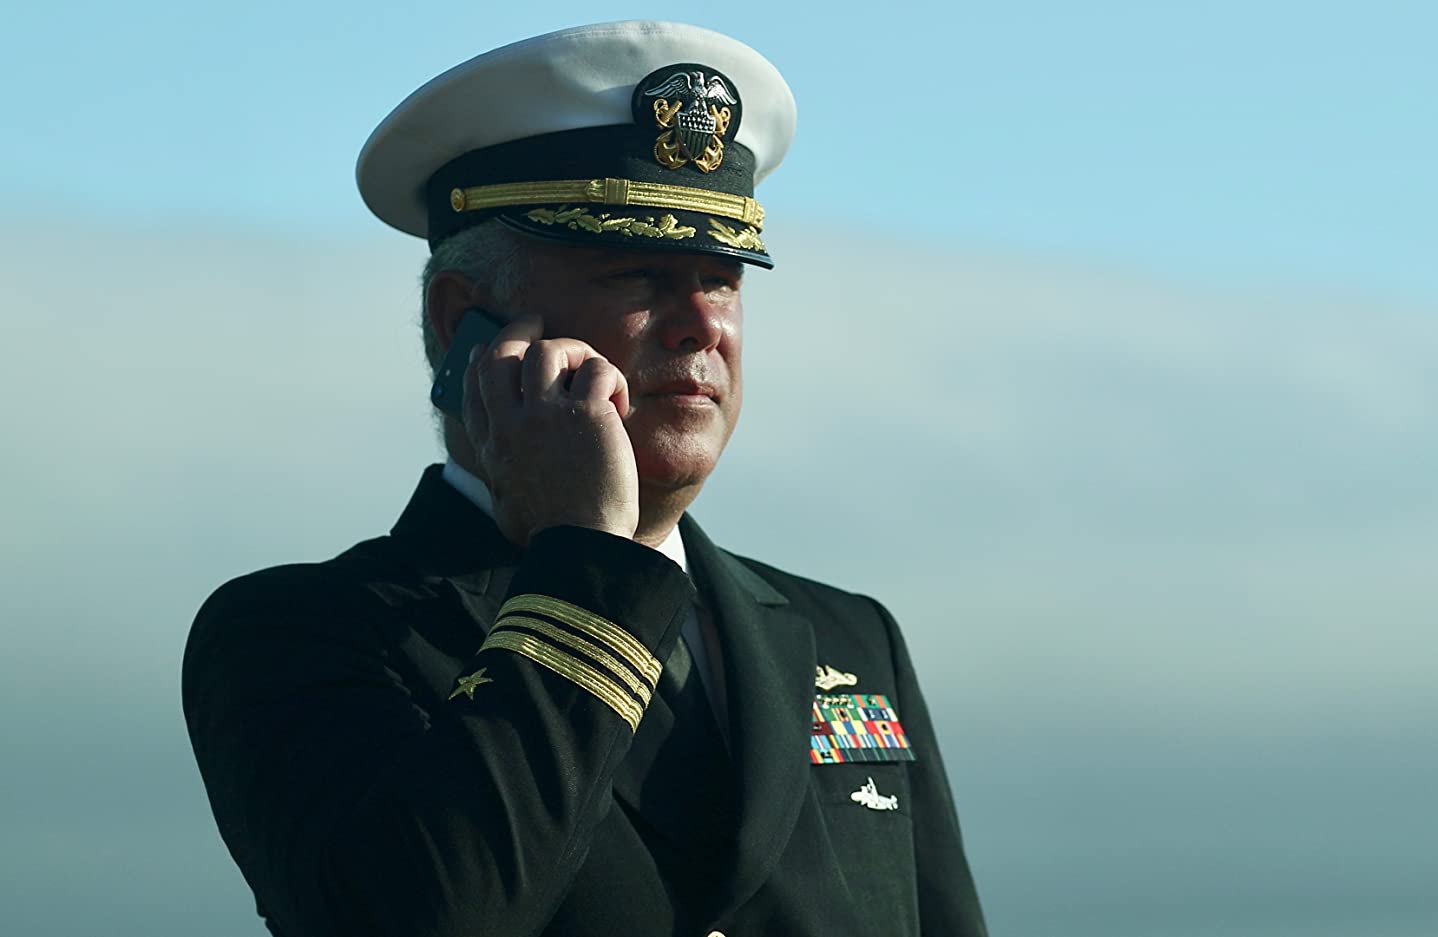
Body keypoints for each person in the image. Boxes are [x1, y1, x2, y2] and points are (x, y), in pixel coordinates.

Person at [181, 21, 987, 937]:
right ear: (463, 323)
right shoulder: (297, 631)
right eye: (638, 273)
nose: (700, 324)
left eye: (722, 278)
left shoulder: (852, 634)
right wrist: (587, 566)